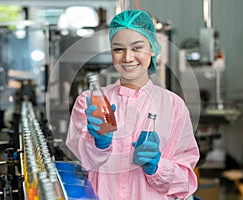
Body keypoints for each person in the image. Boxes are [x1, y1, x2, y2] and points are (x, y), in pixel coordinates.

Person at [66, 9, 200, 200]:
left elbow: (185, 183)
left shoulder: (173, 106)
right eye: (118, 49)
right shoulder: (89, 102)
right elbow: (81, 162)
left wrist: (157, 166)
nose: (128, 58)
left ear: (153, 48)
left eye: (137, 48)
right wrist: (98, 144)